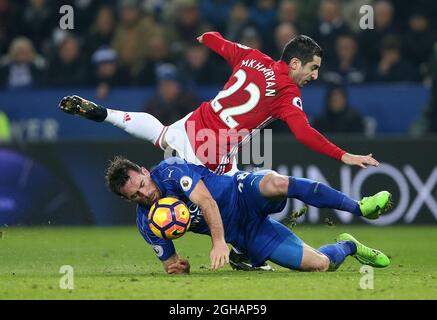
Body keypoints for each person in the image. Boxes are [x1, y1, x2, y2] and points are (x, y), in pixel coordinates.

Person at [59, 31, 379, 175]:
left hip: (194, 122)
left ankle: (106, 114)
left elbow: (217, 40)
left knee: (160, 134)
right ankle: (237, 249)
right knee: (238, 203)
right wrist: (343, 155)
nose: (315, 76)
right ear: (295, 63)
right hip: (212, 151)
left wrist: (203, 38)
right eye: (313, 68)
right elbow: (304, 133)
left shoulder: (253, 57)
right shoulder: (287, 94)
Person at [105, 155, 392, 274]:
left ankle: (360, 206)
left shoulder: (169, 171)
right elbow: (171, 263)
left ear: (144, 172)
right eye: (135, 196)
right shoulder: (147, 224)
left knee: (278, 183)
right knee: (319, 265)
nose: (145, 195)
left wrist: (217, 242)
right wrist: (180, 267)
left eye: (142, 185)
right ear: (127, 200)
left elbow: (207, 203)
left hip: (242, 192)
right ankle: (349, 245)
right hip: (245, 233)